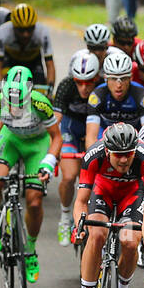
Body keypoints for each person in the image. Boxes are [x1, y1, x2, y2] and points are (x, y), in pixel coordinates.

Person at [0, 66, 62, 283]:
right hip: (11, 140)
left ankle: (31, 250)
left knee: (34, 203)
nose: (14, 108)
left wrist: (48, 163)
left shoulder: (41, 102)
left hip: (37, 144)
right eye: (10, 103)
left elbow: (56, 138)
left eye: (20, 103)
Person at [71, 122, 144, 288]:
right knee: (97, 234)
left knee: (129, 241)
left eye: (128, 154)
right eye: (118, 155)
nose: (124, 159)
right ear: (107, 151)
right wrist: (80, 225)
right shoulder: (93, 156)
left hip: (132, 195)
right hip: (103, 192)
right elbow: (81, 201)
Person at [53, 50, 103, 245]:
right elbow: (55, 121)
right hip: (70, 130)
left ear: (97, 78)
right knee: (68, 176)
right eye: (79, 81)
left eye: (88, 82)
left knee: (99, 175)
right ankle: (65, 217)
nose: (83, 87)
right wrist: (54, 148)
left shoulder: (103, 87)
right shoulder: (66, 86)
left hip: (95, 128)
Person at [0, 3, 55, 87]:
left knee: (40, 89)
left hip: (33, 61)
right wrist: (0, 86)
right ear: (13, 26)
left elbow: (50, 64)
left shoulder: (42, 32)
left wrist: (49, 88)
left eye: (30, 29)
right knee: (7, 86)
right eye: (21, 30)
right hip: (11, 61)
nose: (26, 34)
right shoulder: (2, 32)